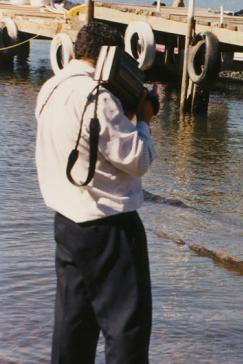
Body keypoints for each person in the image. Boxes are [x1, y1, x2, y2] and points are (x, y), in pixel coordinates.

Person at [35, 22, 157, 363]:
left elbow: (89, 143)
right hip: (111, 227)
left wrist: (124, 115)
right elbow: (138, 159)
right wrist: (143, 120)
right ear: (110, 57)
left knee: (73, 325)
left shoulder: (50, 89)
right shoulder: (99, 98)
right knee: (126, 331)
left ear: (76, 51)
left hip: (67, 225)